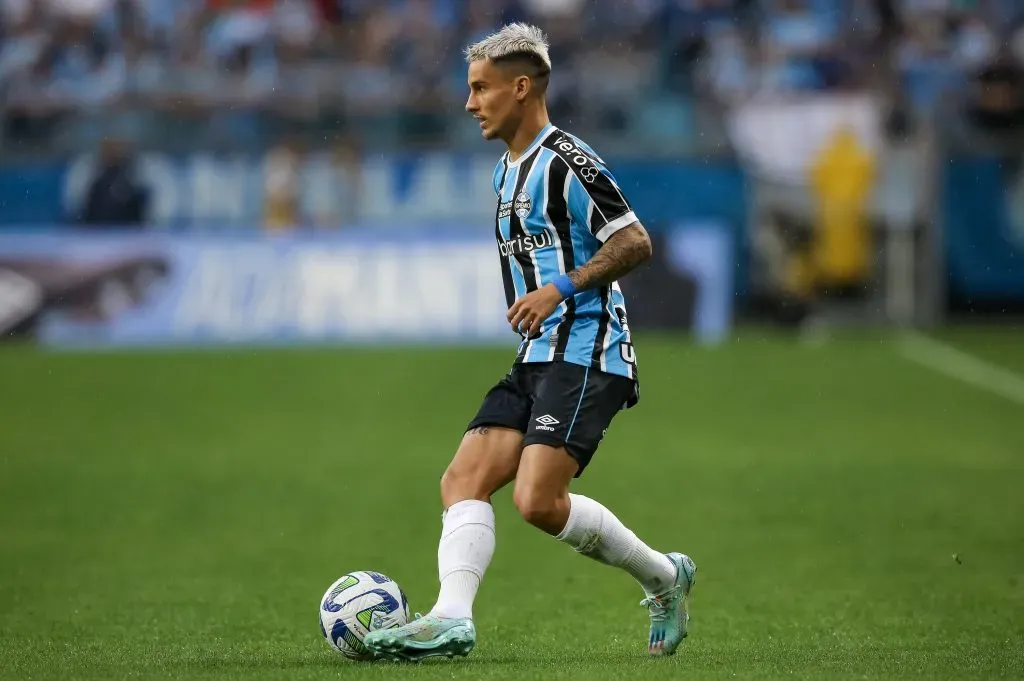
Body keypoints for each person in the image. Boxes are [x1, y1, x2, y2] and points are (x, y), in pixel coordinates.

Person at [364, 23, 696, 662]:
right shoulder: (503, 174)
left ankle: (663, 576)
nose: (470, 103)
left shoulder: (568, 161)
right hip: (538, 354)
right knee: (461, 477)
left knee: (537, 502)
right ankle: (451, 619)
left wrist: (560, 289)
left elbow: (635, 241)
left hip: (587, 349)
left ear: (521, 88)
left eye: (480, 88)